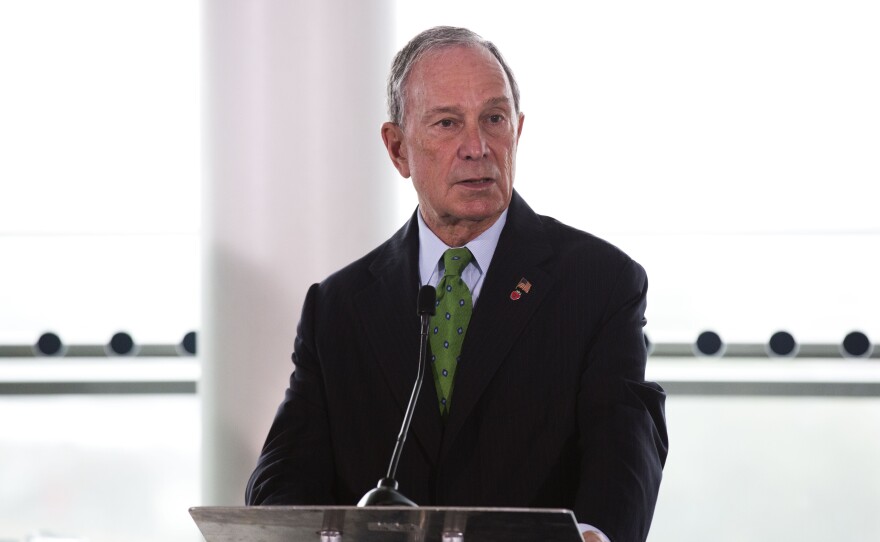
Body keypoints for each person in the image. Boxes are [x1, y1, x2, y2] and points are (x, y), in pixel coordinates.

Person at [245, 26, 668, 542]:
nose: (477, 147)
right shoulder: (338, 308)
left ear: (518, 130)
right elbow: (282, 476)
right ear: (398, 148)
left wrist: (599, 535)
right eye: (448, 123)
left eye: (493, 119)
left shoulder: (599, 282)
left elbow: (626, 446)